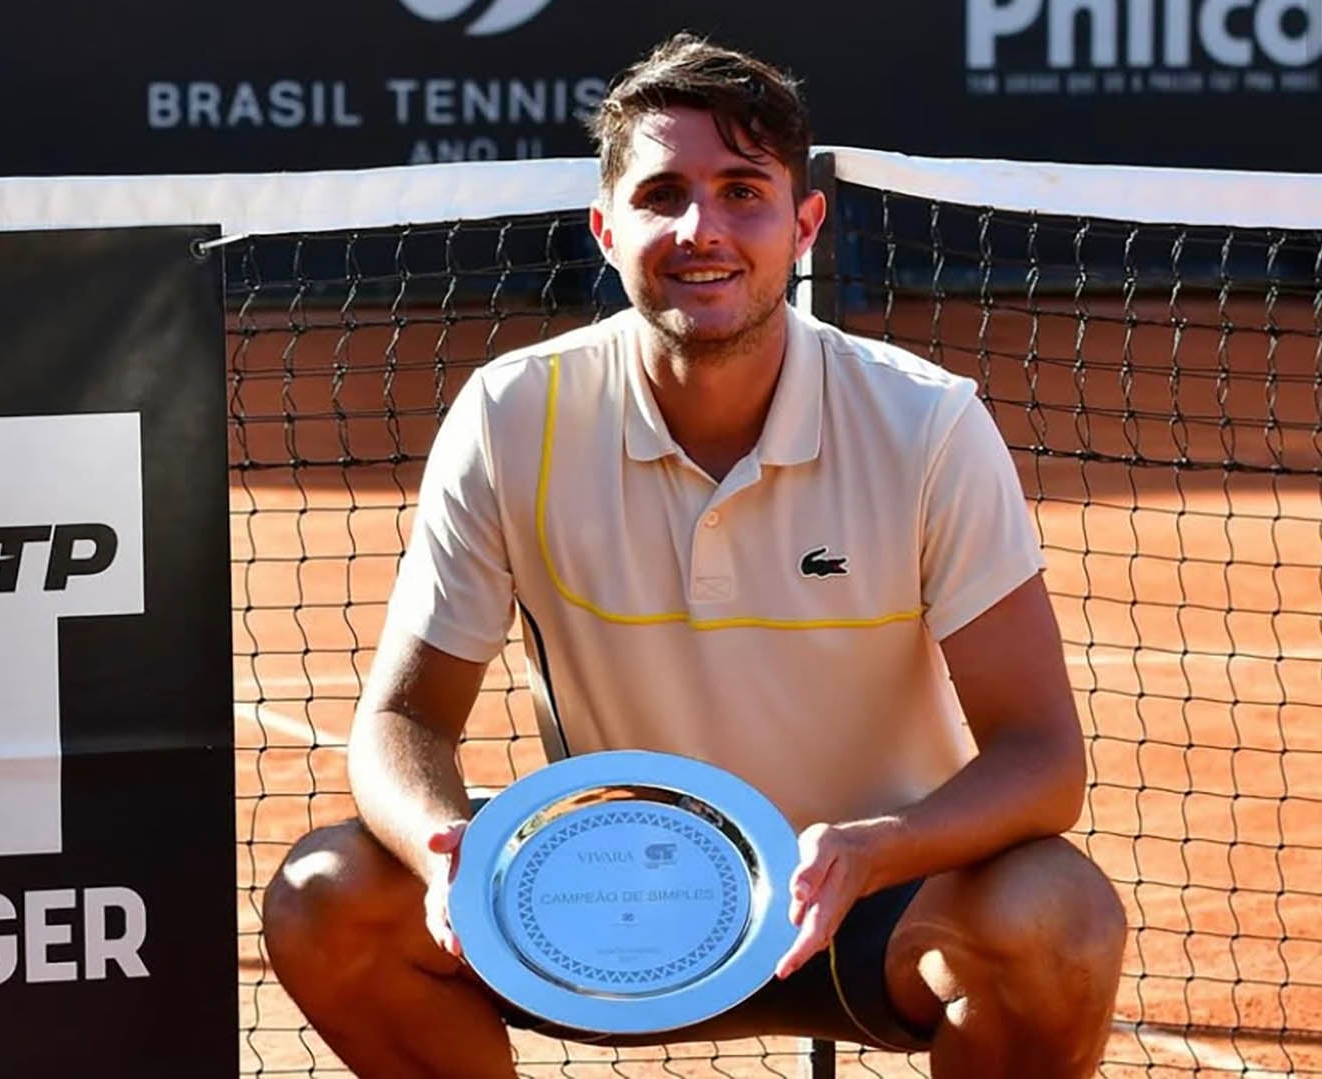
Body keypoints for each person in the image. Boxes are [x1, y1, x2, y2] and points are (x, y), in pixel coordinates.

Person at [261, 32, 1127, 1078]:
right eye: (663, 192)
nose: (700, 228)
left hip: (872, 907)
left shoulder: (927, 424)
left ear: (805, 223)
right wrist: (446, 846)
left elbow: (1043, 756)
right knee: (330, 896)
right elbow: (402, 717)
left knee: (1060, 920)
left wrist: (871, 847)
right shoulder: (510, 414)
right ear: (605, 226)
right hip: (608, 907)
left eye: (742, 192)